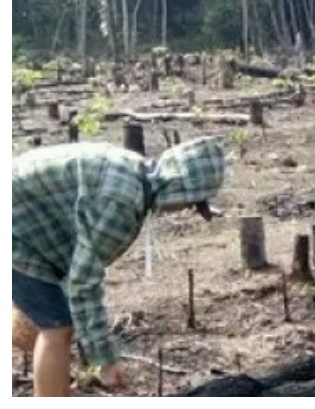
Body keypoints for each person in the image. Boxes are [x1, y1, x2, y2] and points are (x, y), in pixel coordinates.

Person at [12, 138, 226, 396]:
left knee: (46, 322)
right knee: (57, 328)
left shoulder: (135, 172)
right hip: (15, 230)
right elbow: (84, 282)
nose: (185, 209)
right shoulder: (121, 202)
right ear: (179, 187)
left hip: (24, 219)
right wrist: (104, 359)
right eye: (192, 202)